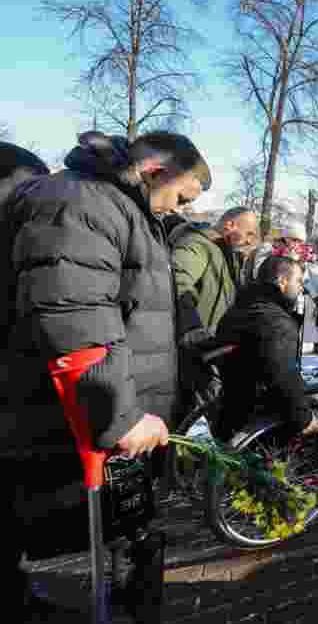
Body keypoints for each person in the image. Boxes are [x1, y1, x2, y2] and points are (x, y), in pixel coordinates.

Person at [0, 131, 211, 618]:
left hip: (123, 421)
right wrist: (121, 417)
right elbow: (76, 314)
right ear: (157, 170)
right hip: (92, 418)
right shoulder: (82, 202)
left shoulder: (125, 207)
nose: (175, 210)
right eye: (180, 197)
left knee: (131, 542)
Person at [213, 256, 317, 440]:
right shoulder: (276, 322)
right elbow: (283, 377)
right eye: (299, 281)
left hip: (230, 408)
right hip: (259, 415)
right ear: (283, 281)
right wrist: (304, 419)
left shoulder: (242, 307)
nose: (302, 288)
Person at [172, 206, 259, 342]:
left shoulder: (226, 253)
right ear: (230, 225)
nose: (249, 241)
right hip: (193, 346)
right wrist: (192, 329)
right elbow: (177, 285)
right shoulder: (197, 245)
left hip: (211, 342)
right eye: (249, 233)